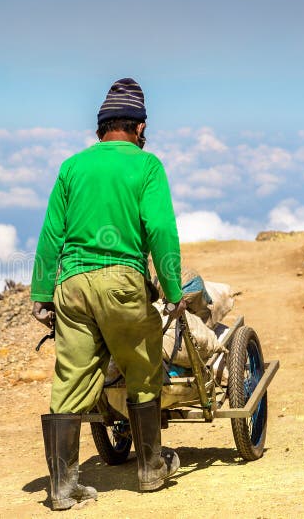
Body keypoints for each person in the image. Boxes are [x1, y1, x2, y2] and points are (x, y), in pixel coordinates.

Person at [30, 77, 186, 510]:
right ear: (139, 127)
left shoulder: (72, 167)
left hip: (72, 286)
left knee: (71, 379)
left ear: (101, 127)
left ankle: (62, 488)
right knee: (142, 364)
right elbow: (159, 229)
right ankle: (151, 468)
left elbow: (50, 236)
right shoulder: (146, 165)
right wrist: (172, 289)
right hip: (121, 284)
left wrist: (42, 293)